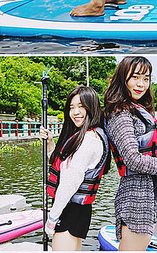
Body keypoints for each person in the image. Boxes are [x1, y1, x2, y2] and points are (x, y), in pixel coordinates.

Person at [103, 56, 157, 251]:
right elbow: (133, 160)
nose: (141, 84)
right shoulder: (120, 113)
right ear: (122, 78)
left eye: (146, 78)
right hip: (136, 196)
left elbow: (147, 151)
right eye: (135, 77)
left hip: (148, 192)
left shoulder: (136, 109)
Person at [40, 86, 110, 251]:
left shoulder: (89, 140)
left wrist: (52, 219)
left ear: (91, 107)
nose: (75, 112)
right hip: (77, 210)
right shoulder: (87, 135)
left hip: (70, 210)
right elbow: (63, 166)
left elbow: (69, 184)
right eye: (72, 108)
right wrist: (50, 142)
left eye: (81, 106)